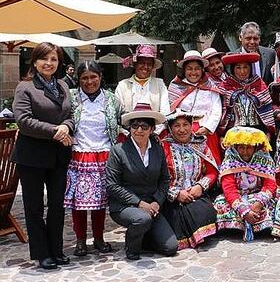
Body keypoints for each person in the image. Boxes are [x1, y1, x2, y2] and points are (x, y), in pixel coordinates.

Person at [12, 42, 74, 269]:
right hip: (32, 156)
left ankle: (56, 250)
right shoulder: (25, 87)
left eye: (54, 59)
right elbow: (24, 121)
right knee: (34, 206)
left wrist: (67, 126)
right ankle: (41, 253)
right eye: (44, 59)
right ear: (35, 61)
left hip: (59, 156)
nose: (49, 63)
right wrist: (56, 131)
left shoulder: (63, 86)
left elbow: (70, 114)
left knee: (57, 204)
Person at [65, 61, 123, 257]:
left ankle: (99, 238)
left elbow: (121, 122)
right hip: (79, 154)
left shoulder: (111, 100)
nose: (89, 81)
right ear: (78, 79)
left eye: (93, 77)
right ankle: (81, 240)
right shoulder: (71, 98)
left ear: (100, 76)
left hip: (104, 155)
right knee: (78, 202)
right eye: (84, 78)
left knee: (99, 202)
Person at [105, 102, 177, 260]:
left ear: (152, 129)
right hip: (125, 206)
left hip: (152, 206)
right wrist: (139, 203)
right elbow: (112, 185)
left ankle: (143, 235)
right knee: (142, 219)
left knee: (171, 247)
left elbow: (165, 179)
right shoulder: (118, 151)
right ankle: (132, 247)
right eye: (135, 126)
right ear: (129, 129)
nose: (139, 130)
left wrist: (157, 201)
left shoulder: (157, 149)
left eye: (144, 126)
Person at [161, 109, 219, 250]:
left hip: (196, 195)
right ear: (170, 128)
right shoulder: (163, 147)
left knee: (204, 212)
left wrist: (200, 187)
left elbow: (212, 172)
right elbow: (157, 178)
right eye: (177, 126)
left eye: (185, 124)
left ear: (191, 125)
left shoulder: (201, 144)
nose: (182, 129)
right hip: (170, 198)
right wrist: (175, 193)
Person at [214, 126, 277, 241]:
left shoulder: (264, 160)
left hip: (257, 196)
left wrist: (258, 204)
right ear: (235, 148)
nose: (245, 152)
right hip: (237, 197)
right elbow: (229, 189)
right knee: (220, 203)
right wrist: (243, 210)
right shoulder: (230, 161)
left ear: (255, 147)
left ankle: (260, 227)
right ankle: (237, 228)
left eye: (249, 148)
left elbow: (270, 185)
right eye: (241, 148)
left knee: (273, 204)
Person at [168, 50, 223, 163]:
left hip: (206, 132)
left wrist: (207, 128)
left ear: (202, 69)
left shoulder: (210, 85)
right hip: (182, 133)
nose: (193, 72)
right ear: (184, 70)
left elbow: (217, 110)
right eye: (189, 68)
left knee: (209, 164)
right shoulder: (176, 87)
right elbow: (170, 111)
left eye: (197, 68)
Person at [115, 44, 170, 134]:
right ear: (135, 64)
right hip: (128, 133)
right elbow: (117, 113)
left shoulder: (160, 84)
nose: (145, 67)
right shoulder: (123, 85)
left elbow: (165, 112)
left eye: (149, 64)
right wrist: (129, 133)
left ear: (152, 67)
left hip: (155, 132)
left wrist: (154, 132)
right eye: (142, 63)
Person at [217, 52, 276, 135]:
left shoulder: (258, 84)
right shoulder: (225, 86)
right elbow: (222, 112)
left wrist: (268, 131)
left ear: (250, 68)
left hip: (258, 131)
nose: (242, 71)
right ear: (233, 69)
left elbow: (267, 109)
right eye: (238, 68)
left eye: (245, 67)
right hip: (233, 132)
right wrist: (222, 135)